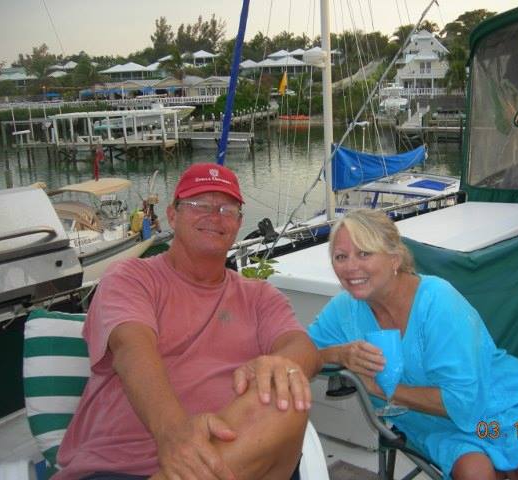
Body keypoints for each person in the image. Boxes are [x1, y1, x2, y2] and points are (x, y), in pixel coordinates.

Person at [57, 163, 321, 480]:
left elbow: (300, 346)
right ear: (172, 215)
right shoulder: (131, 277)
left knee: (285, 394)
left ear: (238, 223)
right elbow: (132, 349)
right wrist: (174, 434)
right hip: (121, 465)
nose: (214, 216)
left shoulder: (259, 296)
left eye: (226, 209)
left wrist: (283, 363)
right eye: (200, 205)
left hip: (237, 457)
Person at [308, 209, 518, 480]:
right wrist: (339, 354)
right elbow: (300, 355)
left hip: (499, 401)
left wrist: (377, 388)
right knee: (475, 472)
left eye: (364, 253)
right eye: (341, 256)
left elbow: (463, 402)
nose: (350, 267)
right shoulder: (345, 310)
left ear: (395, 258)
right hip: (432, 422)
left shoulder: (437, 301)